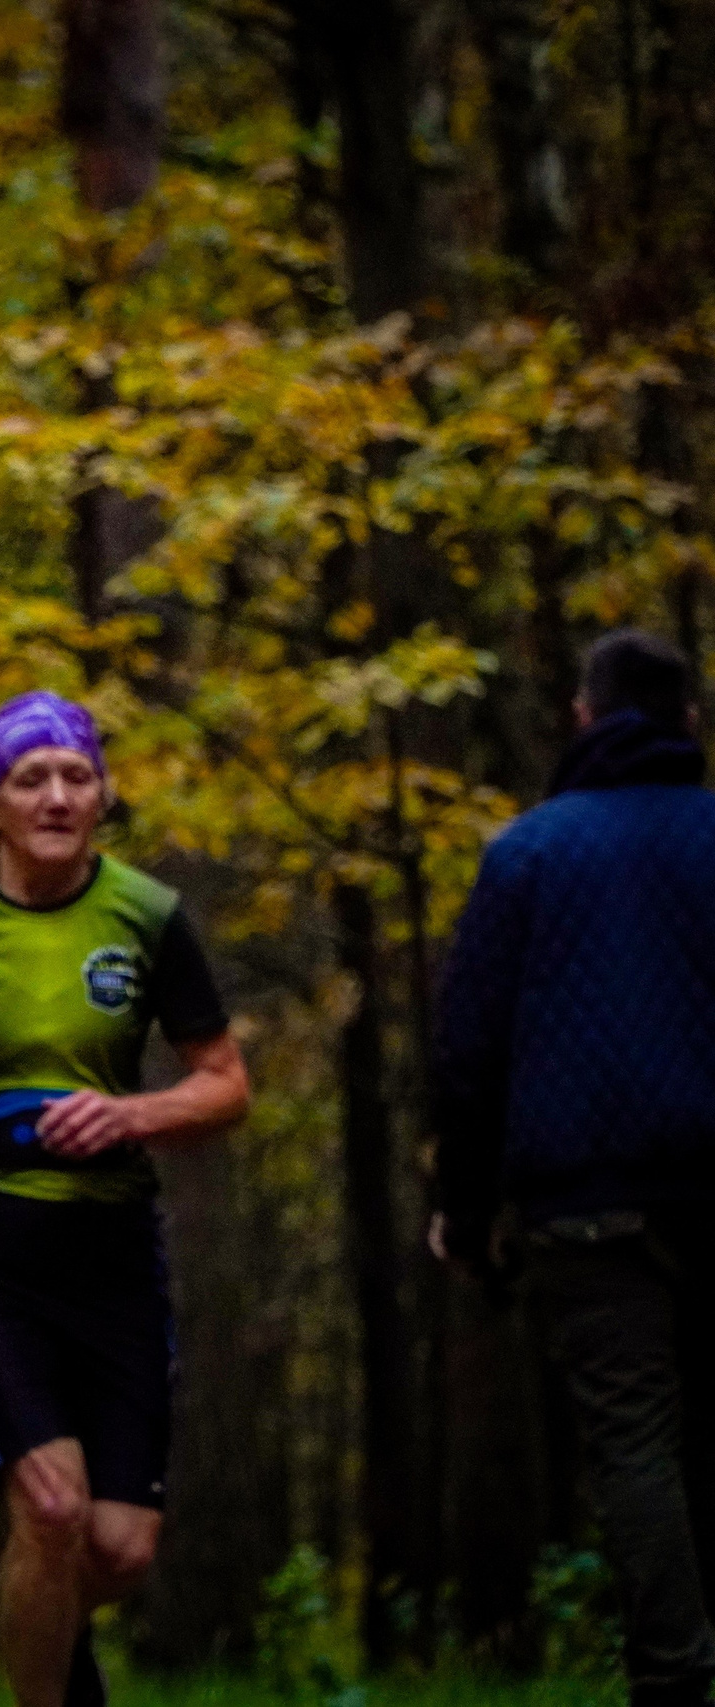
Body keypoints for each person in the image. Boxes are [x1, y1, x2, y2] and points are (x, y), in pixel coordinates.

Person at [0, 691, 249, 1707]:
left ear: (102, 792)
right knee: (54, 1507)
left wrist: (129, 1117)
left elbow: (225, 1084)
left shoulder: (147, 916)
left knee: (118, 1549)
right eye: (32, 778)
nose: (58, 795)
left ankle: (44, 1637)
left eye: (76, 775)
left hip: (113, 1250)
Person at [431, 628, 715, 1707]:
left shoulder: (527, 854)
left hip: (589, 1209)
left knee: (634, 1445)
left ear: (584, 719)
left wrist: (462, 1211)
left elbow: (468, 1053)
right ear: (686, 724)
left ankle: (673, 1681)